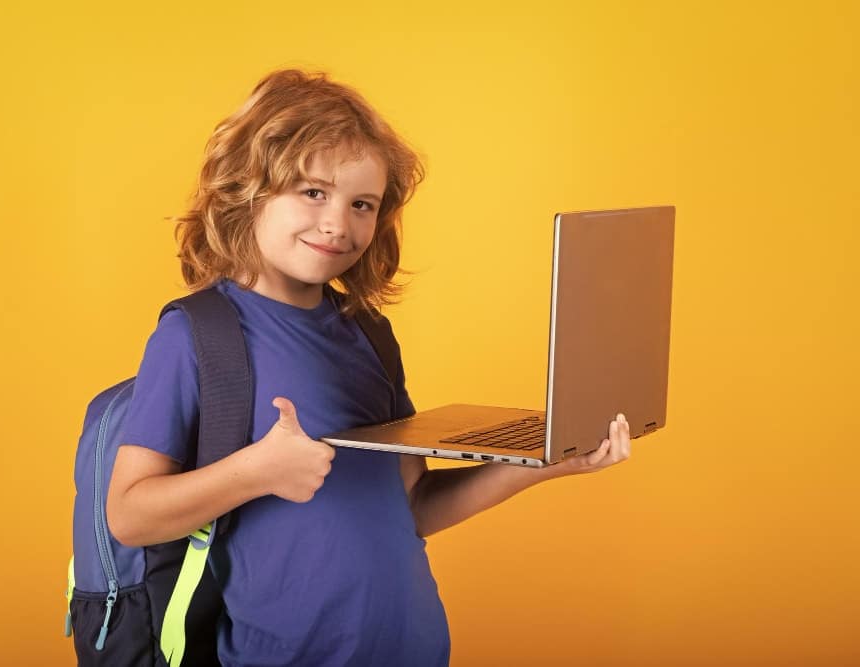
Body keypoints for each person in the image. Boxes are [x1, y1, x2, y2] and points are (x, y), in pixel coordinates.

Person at [106, 68, 632, 666]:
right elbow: (130, 514)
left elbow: (413, 507)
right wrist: (259, 471)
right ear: (248, 188)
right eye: (312, 192)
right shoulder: (197, 334)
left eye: (362, 204)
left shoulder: (367, 333)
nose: (338, 223)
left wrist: (550, 461)